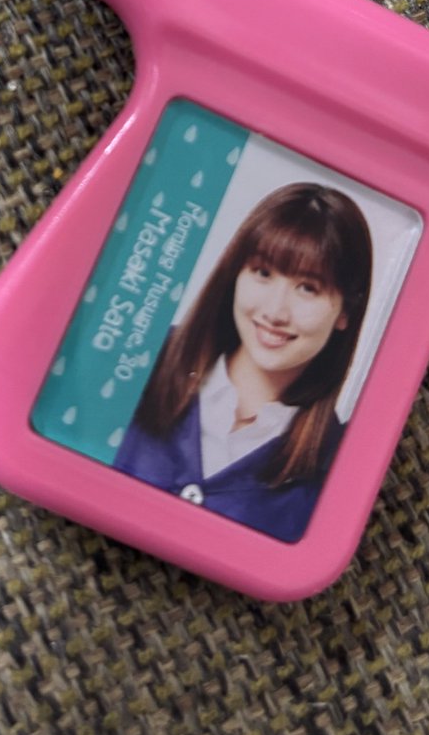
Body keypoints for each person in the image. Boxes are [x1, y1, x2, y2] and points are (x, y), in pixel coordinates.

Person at [113, 182, 373, 542]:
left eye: (308, 288)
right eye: (263, 273)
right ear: (235, 272)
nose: (275, 312)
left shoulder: (338, 467)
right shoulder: (138, 355)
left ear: (346, 310)